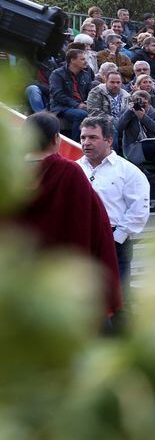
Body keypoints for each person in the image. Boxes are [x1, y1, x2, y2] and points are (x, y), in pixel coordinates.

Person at [8, 113, 122, 328]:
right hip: (65, 286)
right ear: (56, 139)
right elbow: (98, 227)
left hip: (18, 281)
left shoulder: (8, 175)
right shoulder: (69, 172)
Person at [76, 115, 150, 308]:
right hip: (81, 241)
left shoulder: (128, 171)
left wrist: (116, 237)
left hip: (115, 240)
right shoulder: (74, 169)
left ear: (109, 140)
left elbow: (139, 208)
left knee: (118, 300)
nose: (86, 143)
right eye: (83, 137)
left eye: (92, 137)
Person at [48, 49, 94, 141]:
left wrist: (90, 103)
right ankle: (76, 143)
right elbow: (57, 95)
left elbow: (90, 92)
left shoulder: (86, 74)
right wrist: (76, 105)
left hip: (81, 104)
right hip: (62, 107)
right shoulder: (57, 74)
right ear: (72, 60)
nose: (85, 61)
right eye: (82, 59)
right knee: (82, 115)